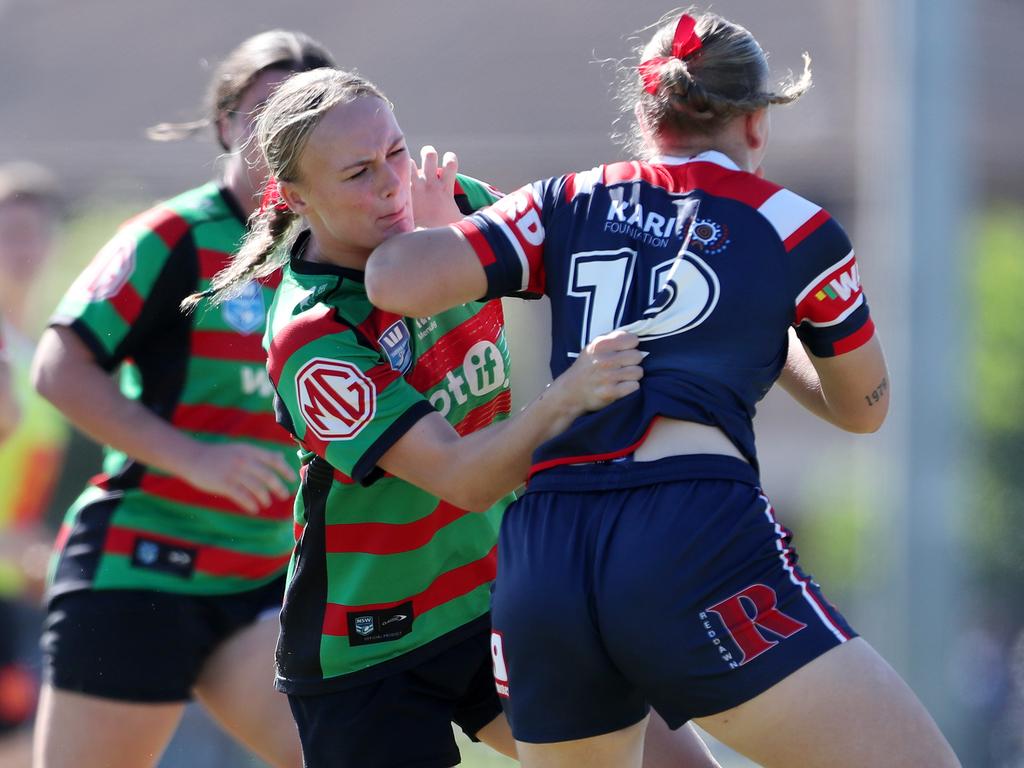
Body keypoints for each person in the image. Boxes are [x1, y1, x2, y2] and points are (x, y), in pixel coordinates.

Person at [365, 9, 963, 768]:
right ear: (755, 121)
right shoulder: (793, 225)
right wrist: (768, 334)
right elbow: (862, 409)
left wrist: (428, 230)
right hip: (690, 534)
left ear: (647, 116)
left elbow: (393, 280)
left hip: (546, 554)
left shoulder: (566, 198)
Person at [193, 66, 721, 768]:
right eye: (357, 173)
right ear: (298, 198)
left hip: (498, 595)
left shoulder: (453, 206)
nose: (391, 185)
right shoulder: (311, 335)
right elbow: (463, 477)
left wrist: (460, 251)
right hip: (369, 647)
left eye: (396, 152)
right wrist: (570, 394)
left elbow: (597, 252)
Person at [29, 31, 337, 768]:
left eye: (305, 112)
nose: (281, 130)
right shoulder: (176, 235)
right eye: (265, 111)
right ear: (228, 123)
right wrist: (192, 458)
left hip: (262, 581)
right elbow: (58, 367)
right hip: (142, 568)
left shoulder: (329, 251)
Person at [0, 162, 70, 765]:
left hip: (15, 598)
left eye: (33, 233)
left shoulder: (42, 352)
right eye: (7, 233)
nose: (23, 250)